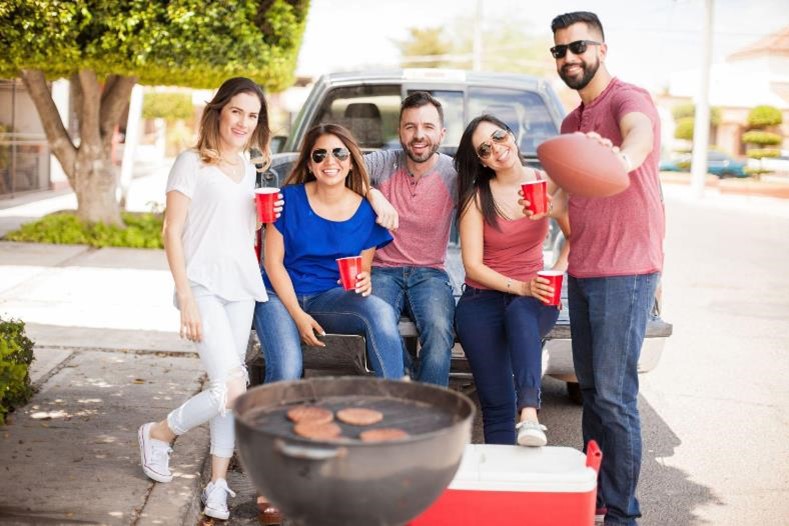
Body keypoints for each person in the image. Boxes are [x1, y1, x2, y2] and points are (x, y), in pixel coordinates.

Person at [138, 77, 280, 521]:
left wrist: (264, 221)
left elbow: (239, 235)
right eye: (236, 110)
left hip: (241, 288)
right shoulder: (190, 162)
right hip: (201, 285)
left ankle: (217, 486)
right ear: (218, 111)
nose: (243, 121)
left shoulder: (250, 170)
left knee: (232, 391)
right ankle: (161, 432)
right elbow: (171, 231)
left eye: (252, 115)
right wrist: (186, 296)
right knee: (230, 386)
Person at [549, 11, 665, 525]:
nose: (569, 57)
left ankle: (623, 513)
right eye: (559, 51)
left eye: (578, 47)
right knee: (591, 391)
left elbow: (638, 136)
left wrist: (621, 156)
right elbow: (562, 198)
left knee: (616, 396)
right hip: (586, 269)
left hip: (627, 270)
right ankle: (595, 495)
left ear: (601, 48)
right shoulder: (571, 123)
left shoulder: (627, 98)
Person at [253, 123, 405, 382]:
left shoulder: (367, 211)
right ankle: (271, 420)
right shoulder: (286, 199)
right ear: (310, 164)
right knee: (287, 369)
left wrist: (364, 278)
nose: (330, 161)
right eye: (319, 155)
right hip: (276, 295)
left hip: (328, 298)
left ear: (351, 161)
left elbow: (363, 268)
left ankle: (394, 399)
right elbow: (273, 264)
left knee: (381, 311)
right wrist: (299, 316)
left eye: (339, 153)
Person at [453, 114, 570, 447]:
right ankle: (502, 485)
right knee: (496, 403)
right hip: (482, 299)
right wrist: (521, 286)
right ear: (482, 161)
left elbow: (576, 236)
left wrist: (556, 271)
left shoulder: (548, 182)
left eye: (499, 137)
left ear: (512, 135)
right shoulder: (477, 198)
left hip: (536, 297)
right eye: (485, 150)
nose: (497, 150)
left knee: (520, 312)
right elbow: (473, 267)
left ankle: (530, 414)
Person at [364, 92, 457, 386]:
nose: (419, 135)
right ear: (399, 132)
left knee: (440, 329)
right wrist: (373, 193)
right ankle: (404, 384)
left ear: (441, 133)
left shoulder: (454, 172)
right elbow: (343, 168)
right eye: (410, 127)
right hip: (381, 269)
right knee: (376, 322)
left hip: (430, 271)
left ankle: (429, 407)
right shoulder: (383, 162)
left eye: (428, 127)